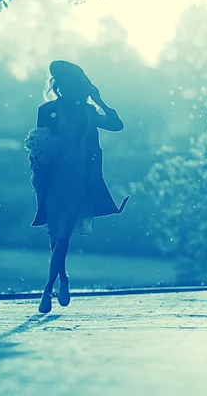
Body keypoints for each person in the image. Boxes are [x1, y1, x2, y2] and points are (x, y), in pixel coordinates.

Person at [27, 60, 130, 314]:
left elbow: (117, 125)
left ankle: (47, 288)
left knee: (62, 235)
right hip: (53, 180)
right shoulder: (47, 110)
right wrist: (38, 163)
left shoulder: (88, 112)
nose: (73, 87)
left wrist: (100, 100)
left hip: (81, 180)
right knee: (55, 234)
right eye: (68, 83)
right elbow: (40, 140)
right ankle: (64, 278)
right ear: (61, 85)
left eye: (78, 83)